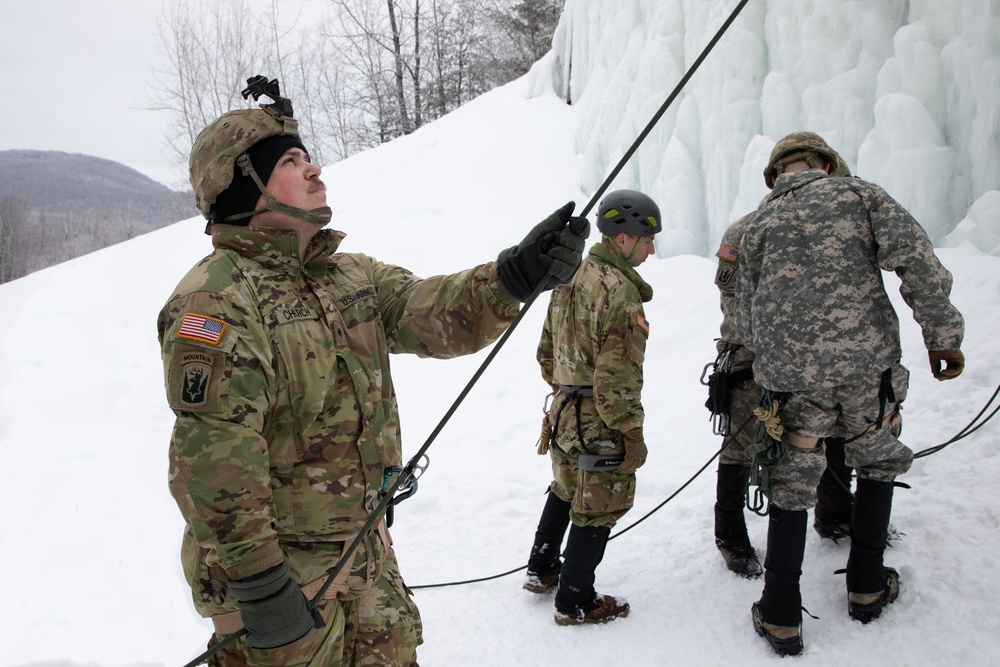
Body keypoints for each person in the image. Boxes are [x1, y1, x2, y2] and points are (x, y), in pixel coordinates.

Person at [157, 78, 589, 666]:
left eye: (309, 157)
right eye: (290, 161)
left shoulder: (349, 276)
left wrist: (516, 275)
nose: (314, 171)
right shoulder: (217, 301)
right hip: (287, 591)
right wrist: (263, 588)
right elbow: (214, 460)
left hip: (366, 560)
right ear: (245, 184)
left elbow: (430, 310)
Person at [734, 131, 965, 656]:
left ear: (776, 175)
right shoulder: (860, 195)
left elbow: (746, 318)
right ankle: (866, 585)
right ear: (826, 163)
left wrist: (785, 363)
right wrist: (943, 337)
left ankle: (780, 616)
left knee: (792, 484)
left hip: (792, 380)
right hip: (868, 369)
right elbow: (917, 263)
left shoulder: (756, 226)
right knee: (876, 458)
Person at [708, 150, 855, 578]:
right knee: (739, 446)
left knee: (822, 434)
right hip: (752, 359)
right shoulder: (746, 229)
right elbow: (734, 304)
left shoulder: (827, 225)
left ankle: (834, 514)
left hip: (811, 361)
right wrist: (779, 350)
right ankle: (731, 537)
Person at [522, 188, 660, 626]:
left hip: (564, 410)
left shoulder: (569, 278)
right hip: (599, 416)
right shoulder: (619, 291)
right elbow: (617, 376)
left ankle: (542, 568)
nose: (651, 249)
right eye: (647, 238)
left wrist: (569, 392)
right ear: (623, 238)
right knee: (598, 502)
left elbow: (545, 352)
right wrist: (630, 432)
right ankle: (576, 599)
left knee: (565, 487)